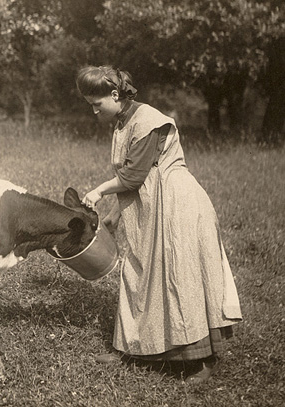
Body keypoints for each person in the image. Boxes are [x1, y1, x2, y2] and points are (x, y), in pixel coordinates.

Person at [77, 65, 242, 384]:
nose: (94, 110)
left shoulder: (149, 120)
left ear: (114, 95)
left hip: (176, 205)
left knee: (179, 277)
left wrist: (98, 192)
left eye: (96, 104)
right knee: (138, 274)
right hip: (151, 206)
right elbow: (134, 179)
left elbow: (132, 176)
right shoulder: (123, 121)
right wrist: (112, 216)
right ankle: (131, 348)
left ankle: (199, 361)